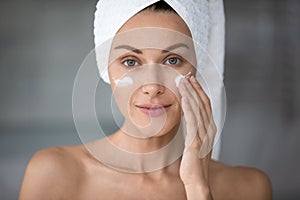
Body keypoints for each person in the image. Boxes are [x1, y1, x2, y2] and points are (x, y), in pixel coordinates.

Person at [19, 1, 272, 199]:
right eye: (131, 62)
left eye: (173, 60)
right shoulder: (54, 174)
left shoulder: (248, 189)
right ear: (106, 68)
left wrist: (198, 187)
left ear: (198, 67)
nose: (152, 86)